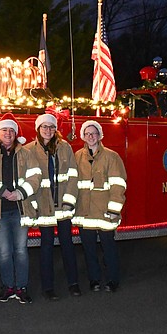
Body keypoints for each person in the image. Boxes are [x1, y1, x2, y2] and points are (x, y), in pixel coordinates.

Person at [0, 113, 41, 304]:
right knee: (4, 252)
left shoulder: (26, 154)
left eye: (11, 130)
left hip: (20, 210)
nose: (7, 133)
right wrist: (2, 192)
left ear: (15, 133)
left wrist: (20, 193)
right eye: (4, 130)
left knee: (21, 250)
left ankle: (21, 288)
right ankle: (8, 287)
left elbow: (35, 177)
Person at [25, 113, 81, 300]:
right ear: (38, 129)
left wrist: (69, 201)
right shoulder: (28, 150)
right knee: (46, 246)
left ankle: (73, 283)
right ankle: (48, 288)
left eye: (51, 127)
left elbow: (73, 176)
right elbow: (26, 180)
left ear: (55, 129)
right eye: (44, 127)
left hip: (63, 206)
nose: (48, 130)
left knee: (67, 245)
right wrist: (33, 206)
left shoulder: (65, 148)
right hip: (44, 206)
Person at [73, 121, 127, 293]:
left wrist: (114, 209)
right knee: (89, 250)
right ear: (83, 136)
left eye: (94, 133)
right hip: (85, 212)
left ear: (100, 135)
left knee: (108, 248)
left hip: (105, 212)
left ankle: (112, 280)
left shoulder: (112, 157)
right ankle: (94, 280)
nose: (91, 136)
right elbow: (73, 184)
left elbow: (118, 185)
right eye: (87, 133)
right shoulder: (77, 157)